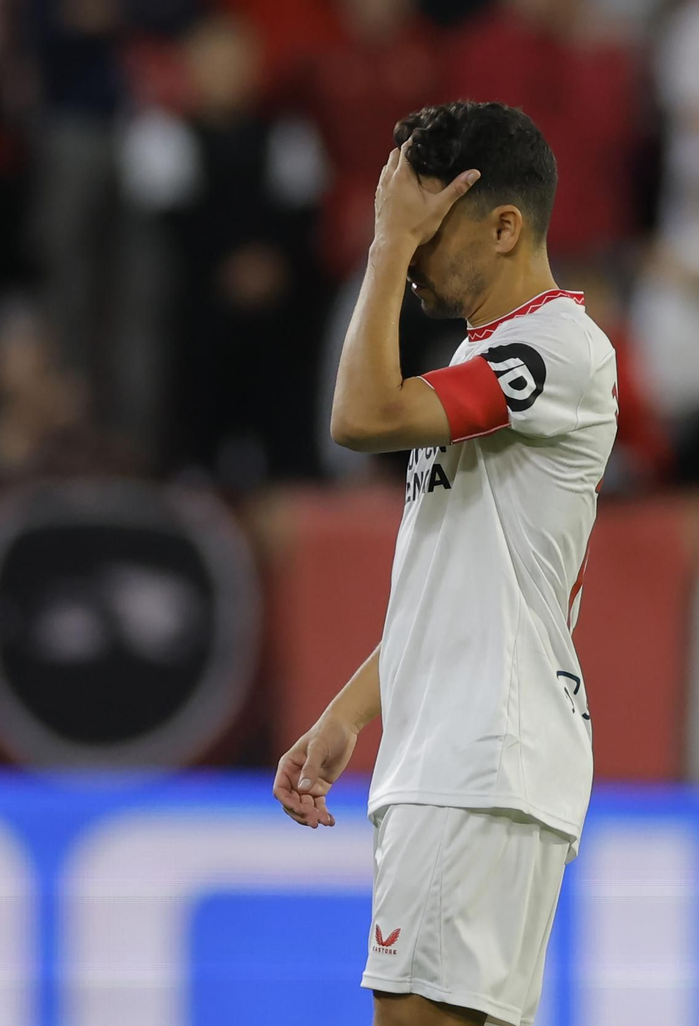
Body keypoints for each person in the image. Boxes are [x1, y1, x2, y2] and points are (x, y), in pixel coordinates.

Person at [273, 102, 616, 1026]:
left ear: (504, 227)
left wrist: (383, 250)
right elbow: (462, 586)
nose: (412, 243)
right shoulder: (488, 354)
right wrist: (349, 714)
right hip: (465, 757)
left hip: (482, 757)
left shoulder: (555, 350)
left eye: (427, 222)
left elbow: (360, 418)